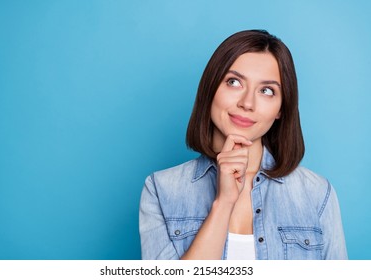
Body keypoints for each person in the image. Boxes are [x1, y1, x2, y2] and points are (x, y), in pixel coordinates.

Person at [139, 30, 347, 260]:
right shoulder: (161, 190)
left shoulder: (317, 193)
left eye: (267, 91)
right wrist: (223, 202)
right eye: (234, 82)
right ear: (211, 88)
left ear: (281, 109)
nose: (247, 103)